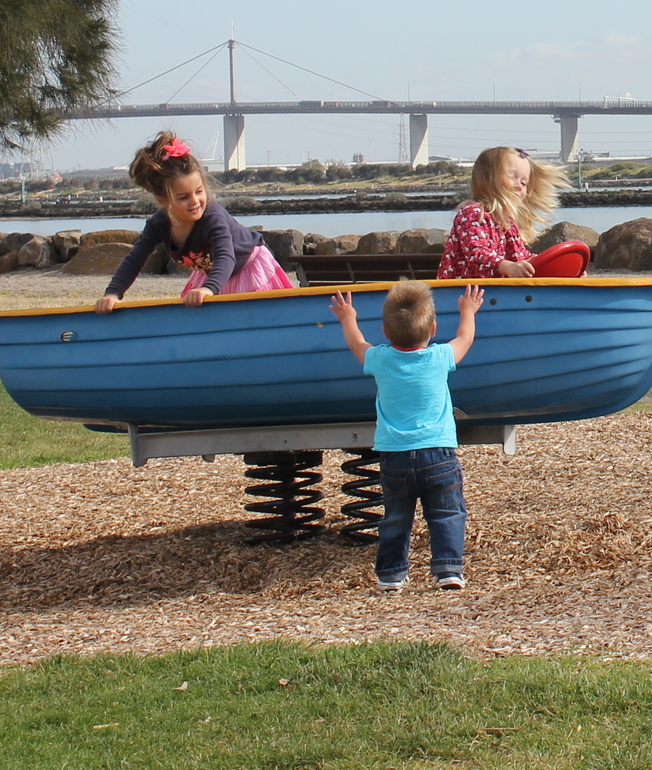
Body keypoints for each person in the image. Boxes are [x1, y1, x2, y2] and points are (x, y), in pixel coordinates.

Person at [331, 280, 483, 591]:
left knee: (396, 517)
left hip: (396, 457)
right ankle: (448, 570)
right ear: (433, 328)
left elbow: (356, 344)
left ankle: (391, 574)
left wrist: (348, 318)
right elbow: (465, 338)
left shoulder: (381, 359)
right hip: (438, 455)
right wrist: (468, 310)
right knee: (447, 513)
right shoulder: (439, 357)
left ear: (385, 332)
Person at [93, 131, 294, 312]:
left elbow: (226, 256)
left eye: (199, 191)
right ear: (162, 201)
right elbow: (135, 259)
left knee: (253, 318)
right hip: (213, 275)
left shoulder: (212, 216)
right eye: (183, 197)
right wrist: (113, 293)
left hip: (246, 268)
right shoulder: (159, 224)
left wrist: (209, 288)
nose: (195, 201)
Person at [436, 145, 566, 279]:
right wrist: (507, 267)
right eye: (513, 177)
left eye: (524, 182)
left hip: (493, 292)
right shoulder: (473, 213)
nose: (519, 185)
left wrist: (557, 268)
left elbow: (520, 255)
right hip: (462, 291)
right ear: (489, 178)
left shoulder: (507, 221)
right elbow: (477, 254)